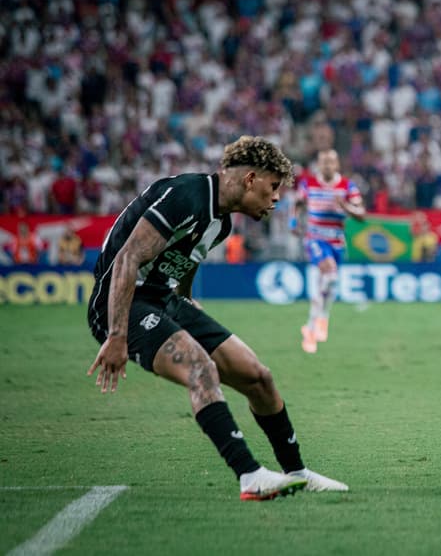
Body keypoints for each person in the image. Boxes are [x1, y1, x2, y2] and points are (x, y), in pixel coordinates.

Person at [87, 136, 348, 500]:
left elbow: (187, 260)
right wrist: (116, 335)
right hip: (122, 303)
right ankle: (250, 476)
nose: (276, 198)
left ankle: (297, 472)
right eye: (273, 188)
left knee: (258, 377)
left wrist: (187, 301)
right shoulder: (186, 195)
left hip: (164, 299)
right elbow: (128, 258)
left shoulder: (221, 222)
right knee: (201, 369)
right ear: (250, 179)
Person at [294, 149, 365, 353]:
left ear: (337, 165)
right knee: (329, 271)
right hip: (315, 238)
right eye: (323, 162)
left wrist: (345, 206)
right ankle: (319, 320)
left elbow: (361, 214)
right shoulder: (308, 184)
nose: (327, 166)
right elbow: (298, 204)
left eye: (330, 162)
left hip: (336, 241)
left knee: (329, 282)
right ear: (318, 164)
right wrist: (293, 221)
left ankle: (314, 323)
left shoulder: (347, 186)